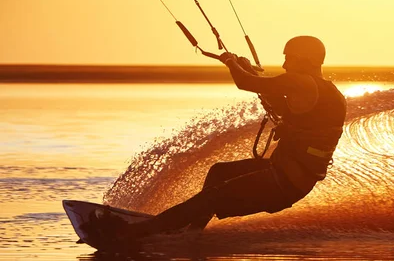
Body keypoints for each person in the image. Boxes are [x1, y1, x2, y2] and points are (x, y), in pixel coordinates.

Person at [94, 36, 347, 240]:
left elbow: (246, 83)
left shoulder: (301, 82)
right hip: (290, 177)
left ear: (305, 58)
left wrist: (230, 62)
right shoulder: (327, 91)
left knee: (212, 196)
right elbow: (286, 113)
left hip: (284, 180)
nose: (284, 65)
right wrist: (250, 72)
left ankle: (135, 234)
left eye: (288, 58)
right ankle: (191, 233)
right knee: (218, 173)